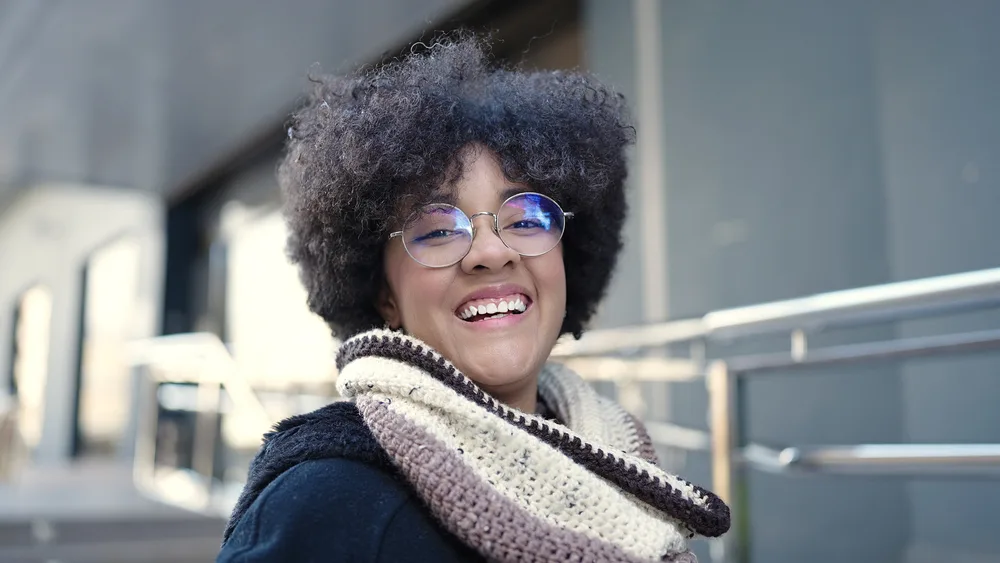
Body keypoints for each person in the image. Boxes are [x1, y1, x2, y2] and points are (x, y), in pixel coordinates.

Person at [217, 35, 729, 563]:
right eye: (437, 229)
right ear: (383, 293)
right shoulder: (328, 504)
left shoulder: (619, 456)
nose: (491, 251)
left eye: (526, 218)